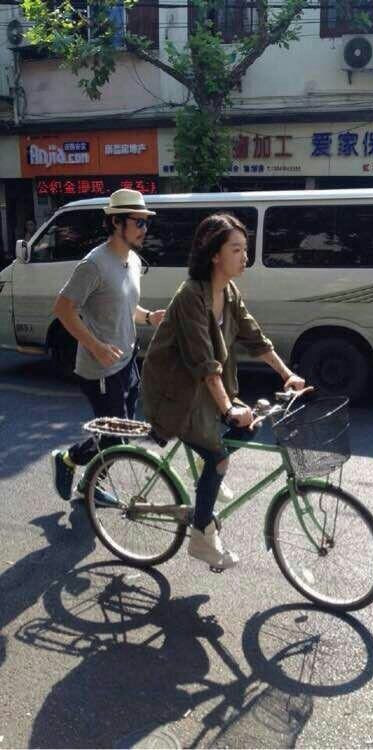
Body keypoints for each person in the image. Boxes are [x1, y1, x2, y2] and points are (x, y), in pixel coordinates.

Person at [141, 213, 306, 570]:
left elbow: (254, 337)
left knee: (252, 425)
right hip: (176, 393)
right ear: (214, 254)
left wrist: (288, 374)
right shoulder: (190, 297)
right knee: (219, 456)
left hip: (202, 387)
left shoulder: (227, 292)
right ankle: (201, 537)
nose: (244, 256)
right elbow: (205, 364)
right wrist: (229, 409)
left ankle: (205, 474)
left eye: (244, 249)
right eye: (237, 249)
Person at [50, 189, 166, 502]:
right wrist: (96, 346)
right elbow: (62, 309)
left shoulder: (132, 260)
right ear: (116, 223)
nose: (144, 230)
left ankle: (94, 484)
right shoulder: (94, 264)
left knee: (122, 432)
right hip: (100, 368)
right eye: (138, 223)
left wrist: (149, 317)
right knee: (115, 436)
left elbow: (124, 308)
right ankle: (68, 459)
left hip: (126, 361)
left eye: (146, 223)